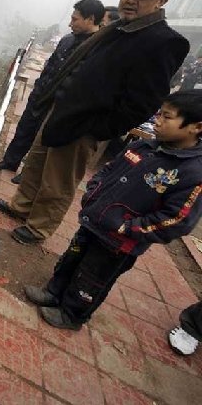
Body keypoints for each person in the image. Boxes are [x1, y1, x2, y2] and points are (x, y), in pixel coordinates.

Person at [0, 0, 190, 244]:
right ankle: (21, 206)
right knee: (37, 164)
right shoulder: (117, 28)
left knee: (58, 180)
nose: (132, 0)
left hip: (85, 124)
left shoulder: (163, 41)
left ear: (162, 1)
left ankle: (39, 227)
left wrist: (98, 130)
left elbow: (145, 101)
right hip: (61, 110)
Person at [24, 90, 202, 330]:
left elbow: (176, 219)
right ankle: (54, 292)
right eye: (158, 114)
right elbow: (109, 170)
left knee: (92, 278)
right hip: (94, 222)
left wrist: (127, 227)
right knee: (72, 259)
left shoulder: (192, 172)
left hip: (120, 242)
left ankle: (72, 314)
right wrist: (93, 191)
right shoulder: (143, 146)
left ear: (195, 127)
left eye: (167, 117)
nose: (157, 120)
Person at [0, 0, 105, 179]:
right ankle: (10, 161)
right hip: (42, 93)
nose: (70, 24)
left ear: (90, 19)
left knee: (42, 138)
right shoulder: (68, 39)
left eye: (75, 19)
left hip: (59, 103)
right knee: (25, 128)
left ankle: (28, 174)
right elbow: (50, 66)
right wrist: (38, 89)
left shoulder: (95, 48)